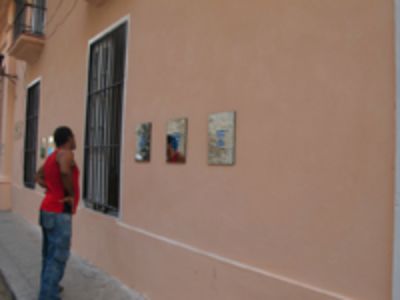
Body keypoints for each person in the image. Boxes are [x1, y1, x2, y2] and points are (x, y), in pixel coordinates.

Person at [35, 126, 80, 300]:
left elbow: (37, 176)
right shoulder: (66, 153)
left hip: (47, 208)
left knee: (49, 254)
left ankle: (49, 287)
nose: (75, 140)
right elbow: (64, 171)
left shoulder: (52, 156)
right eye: (74, 136)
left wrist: (50, 188)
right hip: (58, 211)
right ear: (69, 138)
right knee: (58, 256)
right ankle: (48, 295)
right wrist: (70, 194)